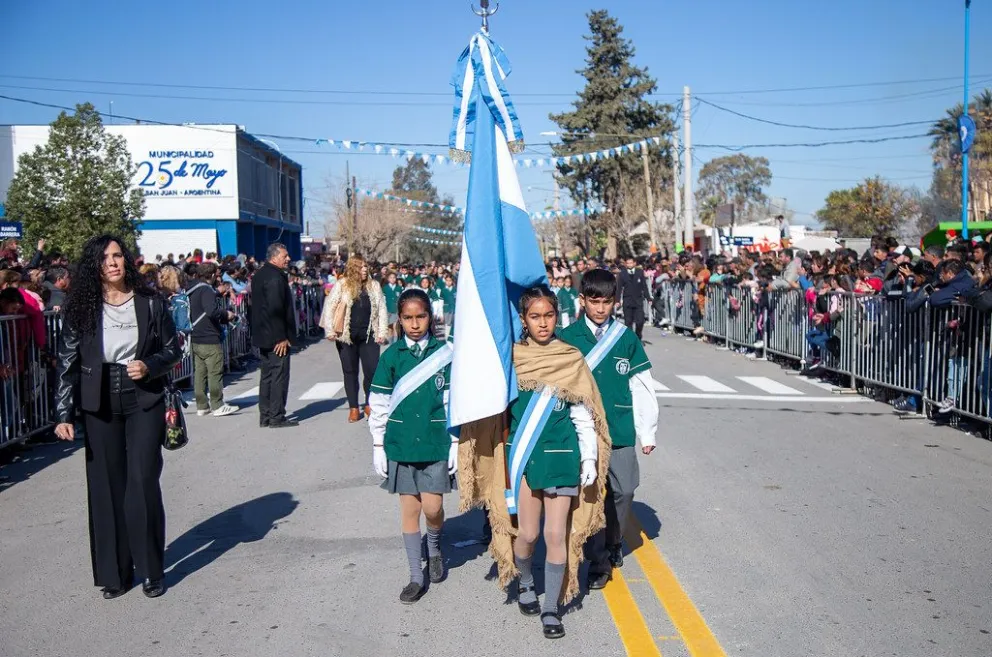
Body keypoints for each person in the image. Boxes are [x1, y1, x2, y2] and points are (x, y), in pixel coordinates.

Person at [459, 286, 609, 639]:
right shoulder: (511, 358)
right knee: (527, 534)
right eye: (535, 316)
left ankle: (551, 608)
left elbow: (583, 414)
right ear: (524, 320)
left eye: (549, 315)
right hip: (523, 459)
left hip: (561, 456)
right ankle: (526, 579)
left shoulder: (570, 358)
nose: (543, 323)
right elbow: (489, 406)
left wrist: (588, 457)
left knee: (555, 534)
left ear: (558, 316)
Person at [53, 234, 181, 599]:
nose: (113, 262)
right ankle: (116, 573)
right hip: (99, 399)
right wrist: (63, 413)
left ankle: (151, 570)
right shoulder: (81, 308)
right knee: (107, 487)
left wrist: (150, 364)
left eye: (118, 255)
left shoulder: (151, 301)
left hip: (143, 396)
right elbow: (68, 362)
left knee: (141, 480)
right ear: (95, 266)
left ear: (126, 261)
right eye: (105, 258)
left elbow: (174, 349)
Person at [560, 268, 659, 589]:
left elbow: (642, 386)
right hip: (581, 433)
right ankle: (598, 559)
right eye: (594, 301)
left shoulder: (625, 338)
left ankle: (615, 540)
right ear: (583, 300)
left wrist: (647, 431)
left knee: (624, 490)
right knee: (590, 496)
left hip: (618, 429)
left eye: (606, 301)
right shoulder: (567, 338)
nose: (601, 308)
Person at [367, 289, 457, 604]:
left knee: (433, 508)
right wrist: (378, 443)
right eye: (408, 317)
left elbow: (452, 400)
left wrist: (456, 442)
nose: (415, 324)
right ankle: (415, 577)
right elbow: (378, 402)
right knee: (410, 510)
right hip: (401, 443)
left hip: (435, 443)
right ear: (399, 319)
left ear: (430, 317)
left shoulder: (445, 352)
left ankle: (433, 546)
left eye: (420, 316)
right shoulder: (392, 356)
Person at [320, 256, 389, 423]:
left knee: (371, 370)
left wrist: (382, 331)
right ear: (353, 269)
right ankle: (353, 407)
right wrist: (330, 330)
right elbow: (330, 306)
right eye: (361, 267)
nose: (365, 270)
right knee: (350, 371)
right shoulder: (342, 285)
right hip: (346, 336)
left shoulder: (374, 286)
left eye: (366, 266)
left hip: (369, 335)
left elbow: (381, 309)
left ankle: (369, 403)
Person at [250, 243, 297, 429]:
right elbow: (275, 309)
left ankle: (266, 415)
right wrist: (281, 337)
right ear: (275, 257)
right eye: (285, 256)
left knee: (267, 375)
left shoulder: (260, 274)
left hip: (263, 334)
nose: (288, 259)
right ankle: (276, 416)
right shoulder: (274, 278)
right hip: (274, 336)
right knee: (278, 375)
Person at [187, 263, 237, 417]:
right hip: (209, 336)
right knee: (215, 372)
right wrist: (226, 314)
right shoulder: (206, 289)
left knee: (200, 373)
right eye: (217, 274)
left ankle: (202, 406)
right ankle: (218, 404)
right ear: (212, 275)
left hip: (195, 336)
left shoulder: (192, 288)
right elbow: (211, 311)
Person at [617, 257, 649, 340]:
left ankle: (638, 335)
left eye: (631, 263)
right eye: (627, 263)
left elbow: (644, 286)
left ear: (634, 263)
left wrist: (648, 297)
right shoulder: (622, 274)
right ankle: (631, 340)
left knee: (640, 321)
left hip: (638, 301)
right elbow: (619, 288)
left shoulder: (640, 272)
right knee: (628, 322)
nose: (629, 265)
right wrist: (617, 300)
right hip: (627, 301)